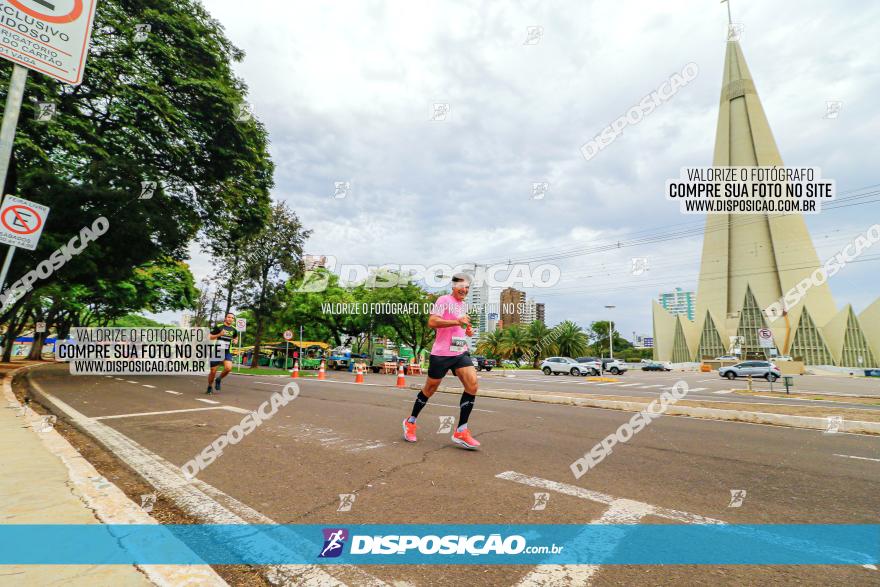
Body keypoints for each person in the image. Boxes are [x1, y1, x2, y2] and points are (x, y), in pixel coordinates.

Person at [402, 273, 481, 449]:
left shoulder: (464, 305)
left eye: (467, 287)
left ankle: (461, 430)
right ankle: (410, 421)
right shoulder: (443, 300)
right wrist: (456, 321)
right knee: (430, 389)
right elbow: (432, 321)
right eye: (462, 286)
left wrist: (468, 331)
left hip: (460, 351)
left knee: (473, 385)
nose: (465, 290)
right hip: (442, 353)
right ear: (453, 286)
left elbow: (462, 325)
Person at [207, 312, 239, 394]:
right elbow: (210, 337)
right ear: (225, 318)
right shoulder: (219, 327)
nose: (230, 319)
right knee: (213, 371)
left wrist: (236, 340)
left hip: (227, 351)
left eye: (232, 318)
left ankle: (219, 379)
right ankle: (210, 386)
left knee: (228, 368)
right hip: (217, 351)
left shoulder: (234, 329)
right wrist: (219, 334)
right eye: (229, 317)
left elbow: (236, 337)